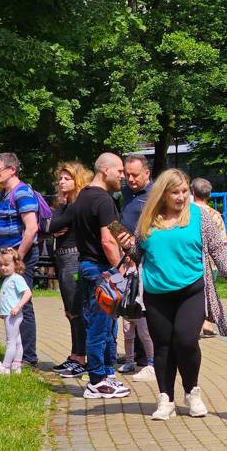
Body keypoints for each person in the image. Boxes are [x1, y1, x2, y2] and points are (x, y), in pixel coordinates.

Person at [118, 169, 227, 419]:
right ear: (163, 194)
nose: (182, 197)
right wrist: (128, 246)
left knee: (185, 341)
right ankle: (166, 400)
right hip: (156, 293)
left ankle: (192, 392)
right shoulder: (148, 219)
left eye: (185, 191)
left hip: (191, 290)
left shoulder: (198, 215)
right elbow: (139, 255)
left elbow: (218, 248)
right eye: (176, 192)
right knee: (162, 347)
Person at [73, 153, 130, 398]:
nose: (123, 176)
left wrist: (131, 242)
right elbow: (108, 241)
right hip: (100, 270)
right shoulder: (104, 200)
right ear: (106, 170)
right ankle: (97, 380)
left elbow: (111, 227)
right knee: (100, 327)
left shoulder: (83, 196)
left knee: (103, 325)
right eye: (120, 172)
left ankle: (106, 375)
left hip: (86, 267)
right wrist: (122, 270)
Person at [49, 162, 93, 379]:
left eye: (67, 178)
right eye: (61, 178)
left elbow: (52, 226)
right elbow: (54, 227)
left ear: (78, 181)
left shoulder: (75, 205)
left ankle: (81, 359)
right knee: (70, 312)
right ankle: (75, 355)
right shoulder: (69, 204)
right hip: (63, 260)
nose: (62, 182)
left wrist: (59, 213)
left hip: (72, 260)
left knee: (76, 311)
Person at [0, 152, 39, 367]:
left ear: (12, 170)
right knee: (13, 303)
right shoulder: (4, 193)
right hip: (8, 259)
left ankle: (28, 358)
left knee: (23, 304)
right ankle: (17, 356)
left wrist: (17, 259)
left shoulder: (22, 193)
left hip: (20, 258)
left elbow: (31, 228)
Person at [118, 154, 154, 376]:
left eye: (135, 175)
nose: (129, 179)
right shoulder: (126, 191)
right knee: (131, 308)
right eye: (127, 174)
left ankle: (151, 357)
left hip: (145, 256)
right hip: (127, 256)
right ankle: (136, 356)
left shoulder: (154, 195)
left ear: (147, 173)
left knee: (145, 311)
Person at [192, 178, 226, 338]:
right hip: (210, 262)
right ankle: (205, 321)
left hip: (191, 260)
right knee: (208, 291)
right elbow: (222, 242)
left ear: (192, 193)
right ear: (209, 194)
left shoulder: (188, 212)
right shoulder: (215, 215)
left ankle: (196, 323)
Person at [0, 248, 32, 374]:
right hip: (9, 314)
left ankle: (5, 366)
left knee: (10, 341)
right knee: (17, 340)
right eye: (1, 265)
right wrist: (3, 312)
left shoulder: (17, 279)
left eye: (6, 264)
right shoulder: (8, 279)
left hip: (14, 314)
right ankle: (17, 364)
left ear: (15, 264)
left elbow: (27, 293)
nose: (3, 268)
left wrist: (17, 307)